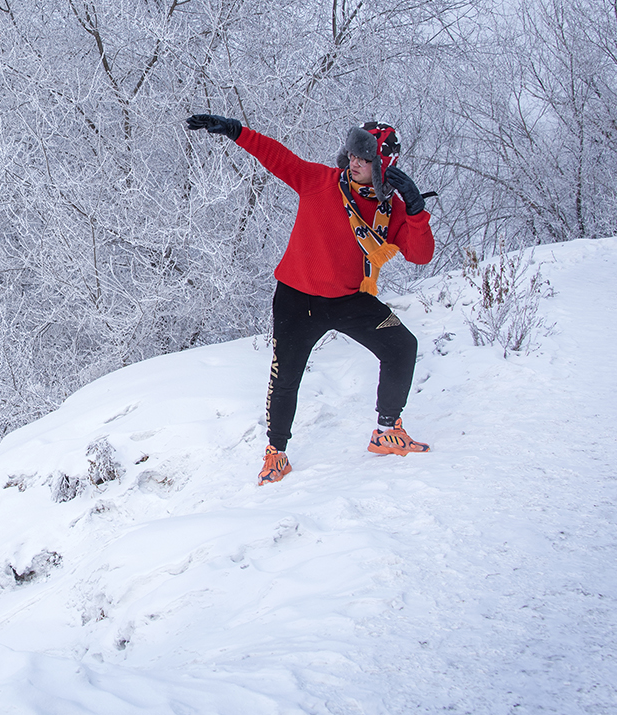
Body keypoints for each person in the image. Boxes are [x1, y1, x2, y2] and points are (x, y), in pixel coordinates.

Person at [185, 114, 435, 485]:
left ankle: (386, 431)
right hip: (296, 300)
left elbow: (421, 254)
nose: (355, 162)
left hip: (350, 300)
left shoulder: (391, 211)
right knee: (285, 376)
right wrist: (236, 131)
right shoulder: (320, 181)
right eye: (353, 154)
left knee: (402, 346)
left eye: (365, 158)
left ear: (384, 165)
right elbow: (277, 157)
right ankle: (276, 453)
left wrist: (415, 210)